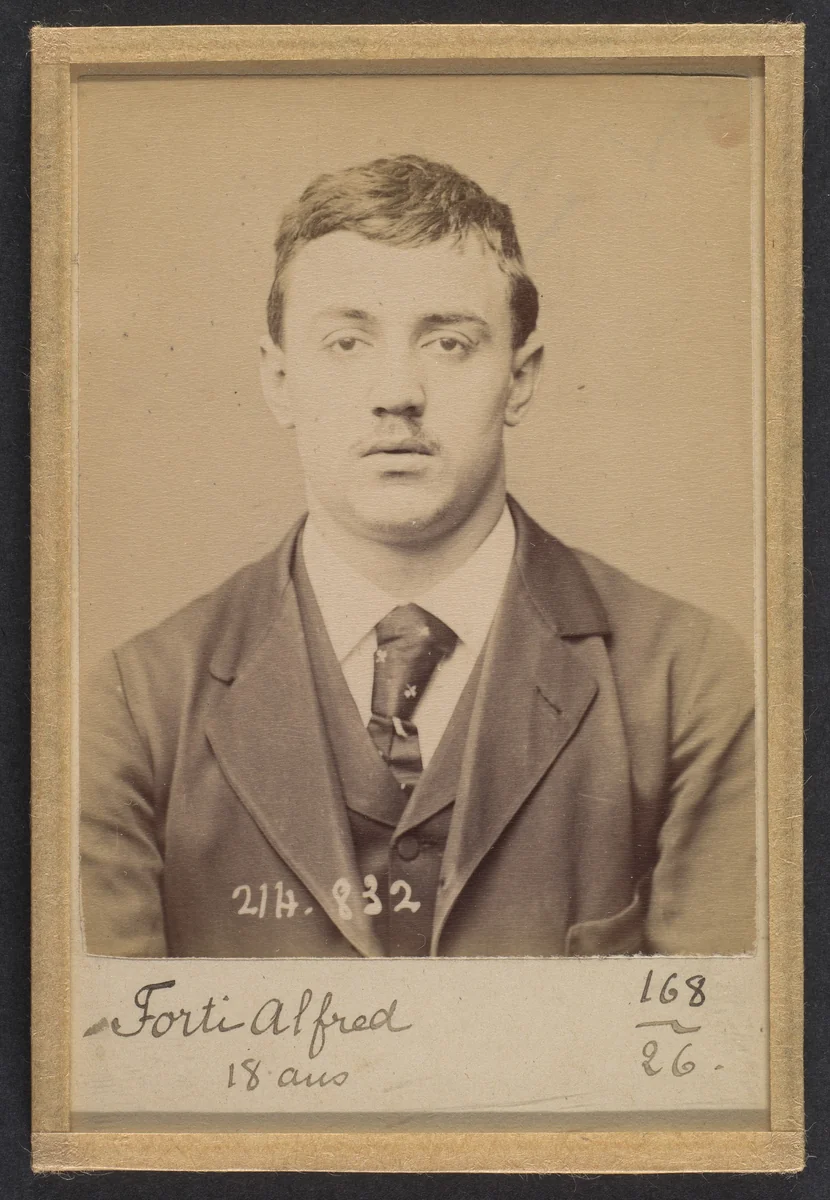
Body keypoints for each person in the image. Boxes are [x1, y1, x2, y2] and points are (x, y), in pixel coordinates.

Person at [80, 154, 755, 959]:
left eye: (448, 343)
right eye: (346, 342)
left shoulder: (687, 681)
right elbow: (102, 1035)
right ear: (279, 380)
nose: (396, 392)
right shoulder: (137, 705)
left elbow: (720, 1030)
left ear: (520, 378)